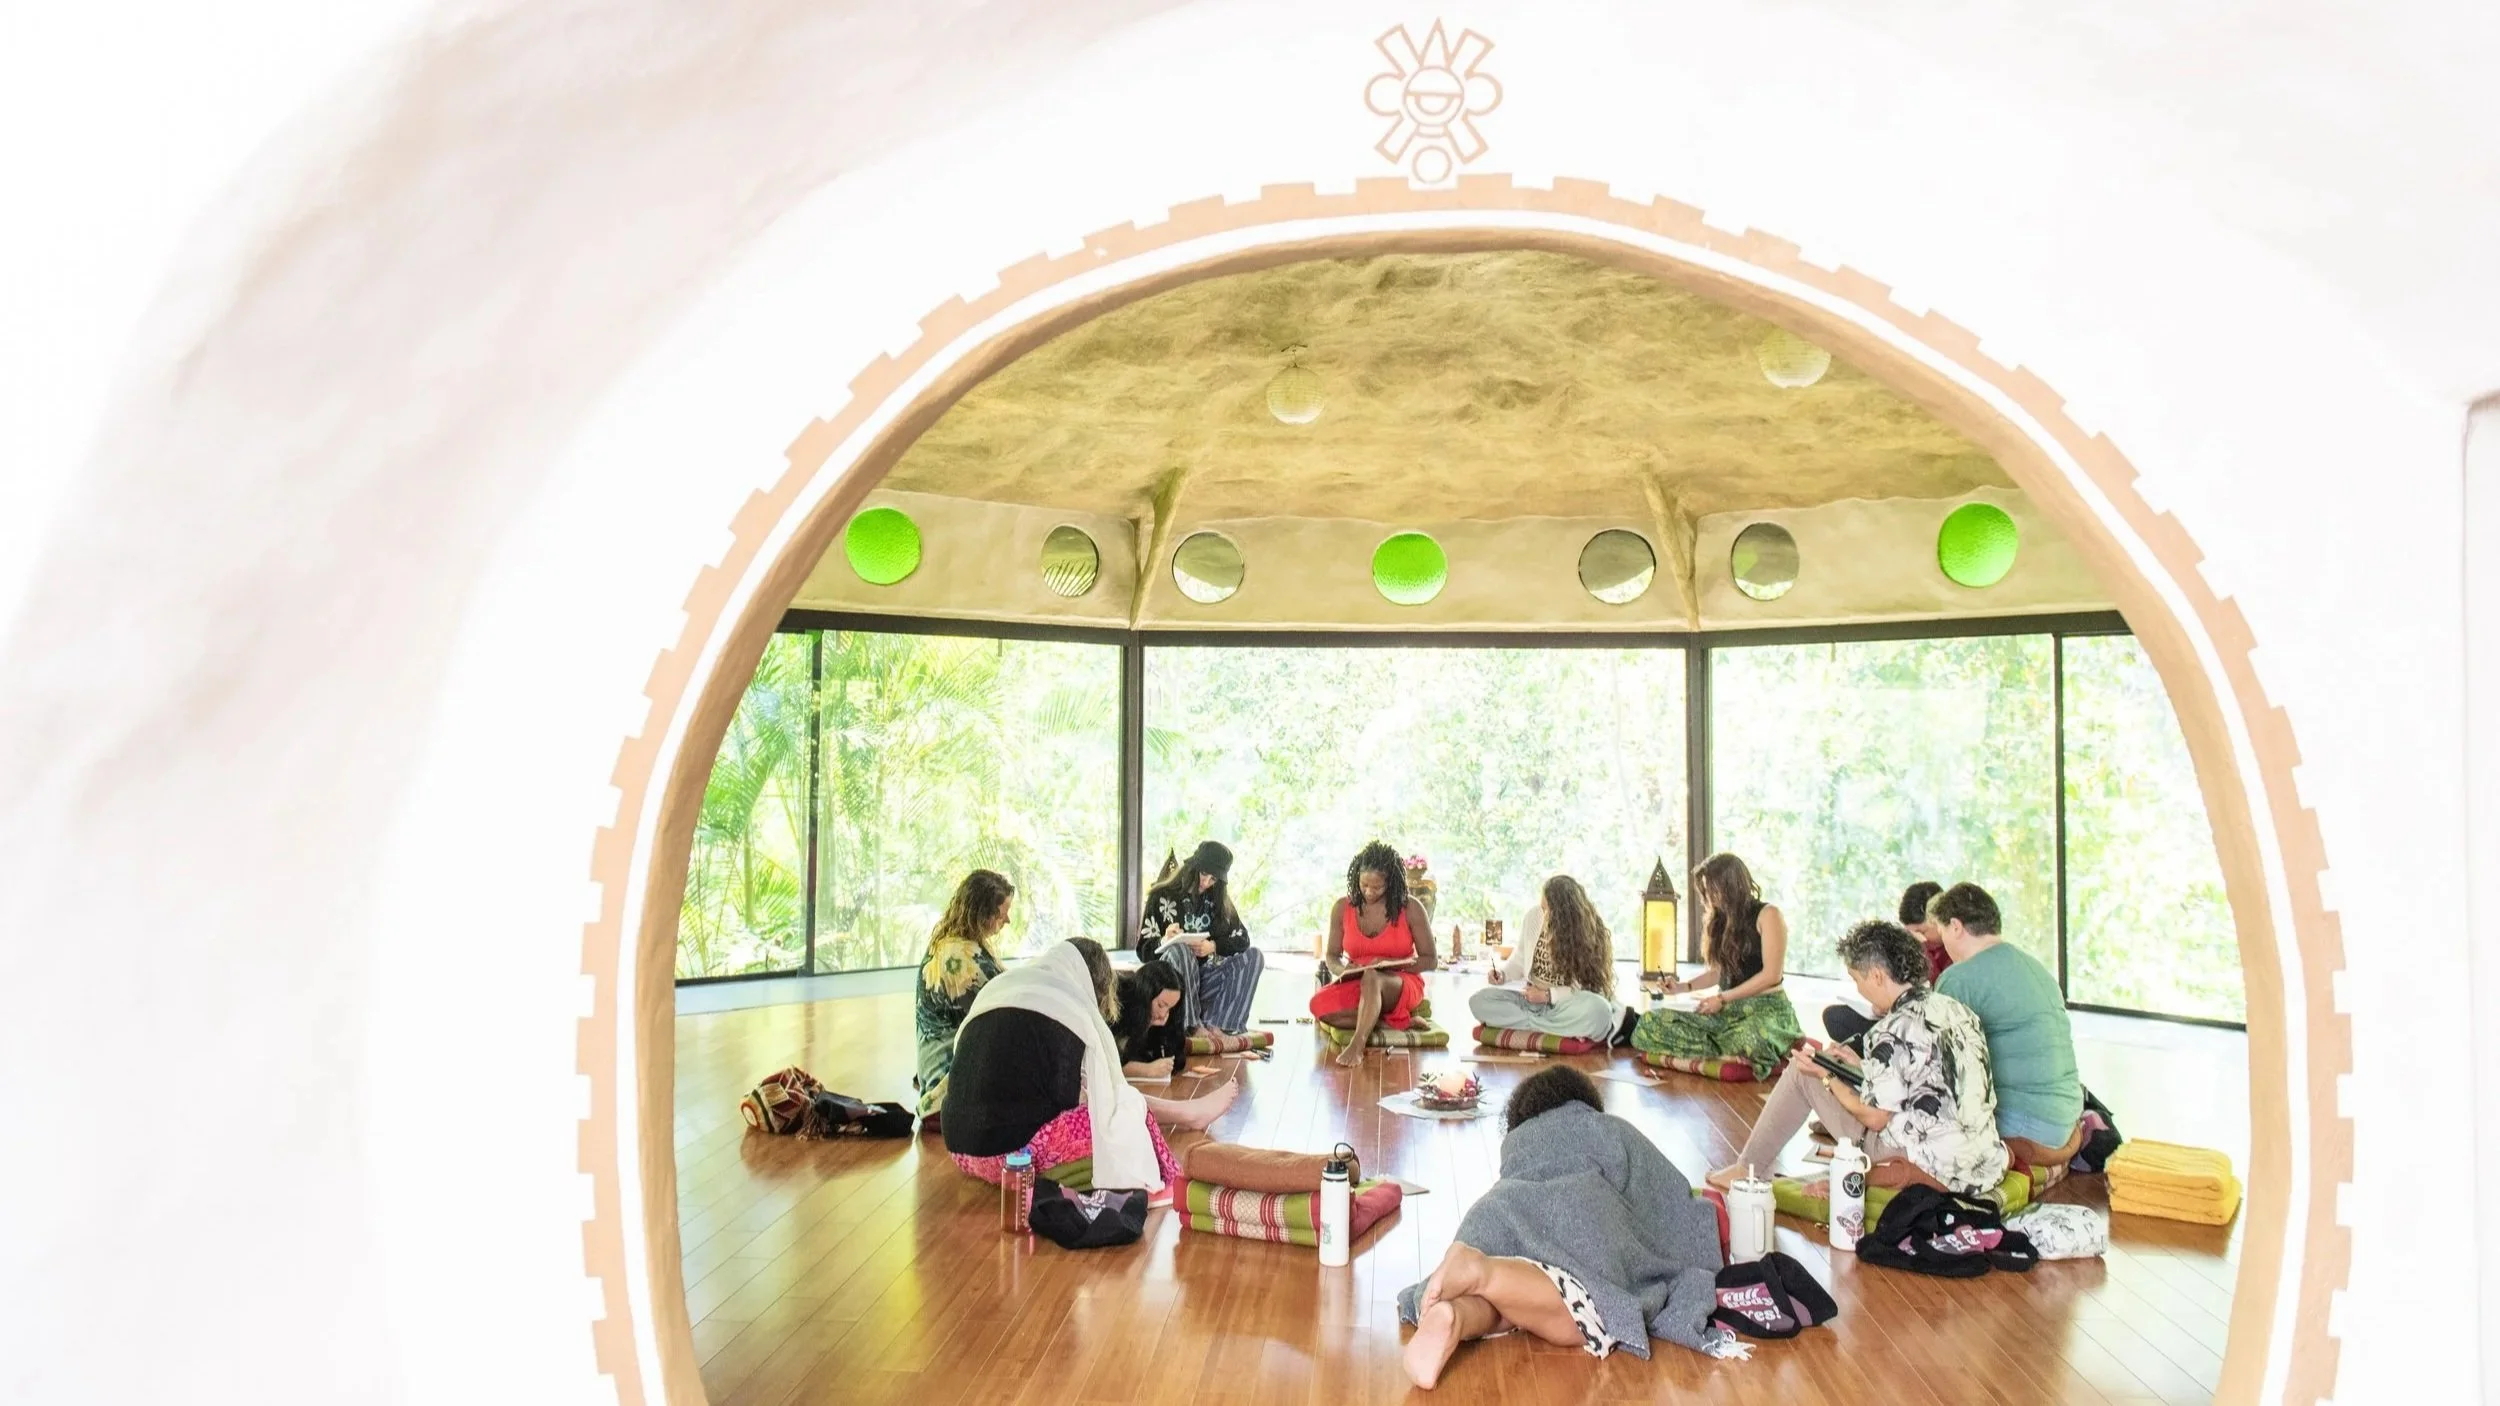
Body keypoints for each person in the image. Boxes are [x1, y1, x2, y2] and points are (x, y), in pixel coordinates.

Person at [1398, 1066, 1740, 1388]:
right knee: (1591, 1306)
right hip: (1579, 1212)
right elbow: (1666, 1196)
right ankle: (1482, 1272)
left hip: (1496, 1212)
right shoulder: (1610, 1128)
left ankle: (1454, 1314)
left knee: (1504, 1308)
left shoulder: (1519, 1143)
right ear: (1588, 1102)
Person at [1713, 919, 2009, 1199]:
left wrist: (1826, 1077)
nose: (1858, 989)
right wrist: (1860, 1066)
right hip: (1978, 1158)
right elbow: (1924, 1079)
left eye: (1857, 979)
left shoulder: (1893, 1028)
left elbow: (1876, 1118)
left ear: (1878, 976)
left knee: (1800, 1072)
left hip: (1927, 1161)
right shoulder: (1956, 1010)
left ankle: (1746, 1168)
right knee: (1830, 1069)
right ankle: (1749, 1164)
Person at [943, 938, 1240, 1193]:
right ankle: (1188, 1115)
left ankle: (1188, 1113)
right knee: (1118, 1109)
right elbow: (1070, 1098)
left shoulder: (1001, 986)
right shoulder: (1067, 1004)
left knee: (1110, 1099)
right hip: (1009, 1159)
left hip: (960, 1149)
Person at [1931, 882, 2086, 1167]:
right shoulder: (2035, 967)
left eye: (1941, 933)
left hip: (2028, 1125)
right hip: (2066, 1118)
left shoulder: (1959, 978)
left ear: (1955, 926)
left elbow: (1933, 1063)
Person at [1629, 853, 1803, 1079]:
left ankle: (1726, 1050)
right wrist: (1681, 987)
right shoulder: (1719, 920)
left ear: (1731, 885)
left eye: (1711, 889)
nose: (1708, 897)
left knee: (1751, 1037)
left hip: (1765, 1010)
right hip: (1725, 1014)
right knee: (1648, 1024)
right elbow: (1719, 972)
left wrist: (1723, 999)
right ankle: (1728, 1053)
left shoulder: (1768, 915)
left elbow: (1772, 975)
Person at [1312, 840, 1439, 1068]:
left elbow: (1431, 959)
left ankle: (1358, 1044)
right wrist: (1343, 970)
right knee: (1318, 1006)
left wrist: (1391, 964)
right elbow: (1332, 955)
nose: (1369, 892)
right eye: (1364, 885)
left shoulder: (1411, 908)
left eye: (1377, 887)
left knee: (1373, 976)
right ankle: (1393, 1022)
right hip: (1357, 980)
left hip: (1400, 982)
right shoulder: (1342, 907)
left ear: (1391, 883)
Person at [912, 869, 1014, 1132]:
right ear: (983, 913)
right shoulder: (960, 961)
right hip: (947, 1090)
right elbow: (1002, 1015)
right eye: (1002, 914)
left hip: (939, 1071)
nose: (1007, 921)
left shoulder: (954, 945)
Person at [1469, 875, 1625, 1044]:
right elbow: (1520, 958)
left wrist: (1547, 996)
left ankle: (1529, 1026)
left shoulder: (1587, 932)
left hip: (1566, 1005)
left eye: (1547, 910)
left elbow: (1586, 987)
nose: (1542, 914)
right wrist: (1503, 974)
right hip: (1530, 1003)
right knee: (1479, 1001)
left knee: (1599, 1010)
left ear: (1564, 914)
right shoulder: (1533, 917)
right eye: (1542, 907)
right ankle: (1557, 1028)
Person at [1138, 840, 1267, 1035]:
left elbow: (1242, 939)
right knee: (1180, 951)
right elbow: (1143, 951)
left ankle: (1221, 1025)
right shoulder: (1161, 896)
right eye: (1204, 874)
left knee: (1254, 956)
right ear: (1192, 868)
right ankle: (1191, 1025)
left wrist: (1213, 946)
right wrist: (1165, 940)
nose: (1206, 882)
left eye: (1213, 879)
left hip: (1204, 982)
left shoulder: (1218, 902)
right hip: (1172, 985)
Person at [1821, 880, 1947, 1049]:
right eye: (1909, 932)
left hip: (1921, 1023)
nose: (1917, 937)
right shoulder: (1903, 944)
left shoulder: (1952, 953)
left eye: (1921, 931)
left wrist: (1922, 950)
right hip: (1894, 1011)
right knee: (1835, 1016)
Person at [1112, 959, 1188, 1079]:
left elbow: (1175, 1055)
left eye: (1170, 1009)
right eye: (1161, 1005)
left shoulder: (1162, 1017)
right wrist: (1146, 1070)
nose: (1163, 1014)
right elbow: (1109, 1065)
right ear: (1146, 994)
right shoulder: (1118, 1007)